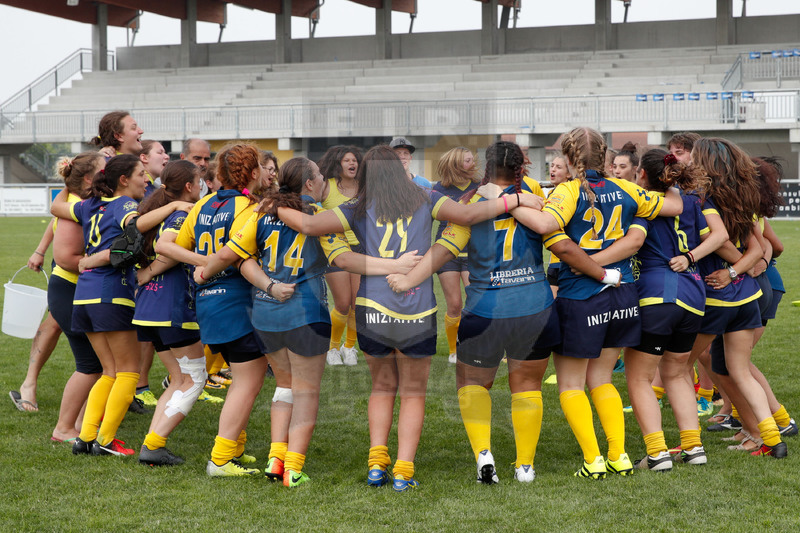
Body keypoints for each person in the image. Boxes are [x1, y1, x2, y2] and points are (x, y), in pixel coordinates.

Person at [276, 145, 541, 491]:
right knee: (413, 393)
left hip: (372, 309)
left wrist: (277, 203)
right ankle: (403, 471)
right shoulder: (426, 197)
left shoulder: (356, 206)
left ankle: (376, 465)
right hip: (418, 310)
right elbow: (468, 217)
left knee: (382, 388)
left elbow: (310, 225)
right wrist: (515, 201)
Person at [197, 156, 420, 486]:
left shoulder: (262, 212)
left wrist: (205, 272)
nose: (324, 181)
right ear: (311, 185)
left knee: (284, 387)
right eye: (319, 176)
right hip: (305, 314)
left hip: (265, 314)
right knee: (306, 393)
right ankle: (294, 469)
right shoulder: (317, 215)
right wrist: (394, 265)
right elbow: (344, 259)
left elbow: (236, 256)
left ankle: (276, 457)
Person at [498, 127, 684, 479]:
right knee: (602, 380)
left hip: (582, 294)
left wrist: (509, 199)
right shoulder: (627, 187)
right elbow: (674, 204)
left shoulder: (568, 191)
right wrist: (672, 176)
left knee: (570, 384)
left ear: (569, 159)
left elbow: (546, 225)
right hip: (624, 293)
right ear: (605, 158)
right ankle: (620, 455)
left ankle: (593, 460)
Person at [387, 141, 557, 484]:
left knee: (471, 383)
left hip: (485, 307)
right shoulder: (537, 193)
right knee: (526, 385)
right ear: (521, 169)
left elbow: (444, 249)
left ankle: (484, 454)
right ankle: (525, 466)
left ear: (484, 168)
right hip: (534, 305)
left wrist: (407, 280)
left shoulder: (471, 204)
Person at [587, 149, 727, 470]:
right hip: (693, 294)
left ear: (643, 175)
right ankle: (694, 448)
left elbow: (631, 243)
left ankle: (657, 453)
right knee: (676, 373)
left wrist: (584, 265)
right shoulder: (693, 200)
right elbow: (717, 236)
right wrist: (692, 257)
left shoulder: (642, 201)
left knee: (639, 377)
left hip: (656, 295)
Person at [50, 154, 192, 457]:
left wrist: (68, 178)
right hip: (112, 293)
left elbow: (55, 207)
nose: (147, 179)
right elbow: (137, 225)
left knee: (109, 371)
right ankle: (105, 440)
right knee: (128, 371)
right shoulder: (124, 204)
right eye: (141, 174)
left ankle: (86, 438)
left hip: (84, 296)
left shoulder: (90, 205)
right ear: (123, 180)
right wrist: (174, 206)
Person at [157, 142, 270, 476]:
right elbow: (245, 255)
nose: (265, 172)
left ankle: (234, 448)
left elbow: (176, 247)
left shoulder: (203, 204)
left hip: (207, 302)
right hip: (237, 301)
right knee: (248, 380)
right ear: (251, 173)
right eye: (261, 167)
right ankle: (220, 459)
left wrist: (203, 265)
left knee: (244, 377)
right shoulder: (250, 206)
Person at [688, 138, 786, 459]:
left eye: (692, 158)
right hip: (748, 291)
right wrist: (737, 272)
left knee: (678, 366)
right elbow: (758, 251)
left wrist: (727, 271)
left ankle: (682, 442)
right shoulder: (740, 199)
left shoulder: (704, 201)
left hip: (721, 296)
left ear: (705, 164)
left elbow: (724, 245)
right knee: (736, 369)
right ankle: (769, 436)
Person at [132, 160, 204, 466]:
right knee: (195, 378)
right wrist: (207, 260)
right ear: (188, 187)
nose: (203, 186)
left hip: (148, 308)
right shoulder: (180, 212)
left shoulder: (160, 208)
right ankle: (154, 443)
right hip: (171, 307)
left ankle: (153, 444)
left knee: (178, 379)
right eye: (200, 181)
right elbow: (167, 247)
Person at [48, 152, 106, 442]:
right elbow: (66, 258)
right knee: (90, 364)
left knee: (96, 363)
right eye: (103, 170)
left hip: (77, 289)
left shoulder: (75, 202)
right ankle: (64, 428)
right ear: (88, 178)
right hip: (69, 290)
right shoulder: (75, 207)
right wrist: (107, 259)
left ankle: (82, 425)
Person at [432, 147, 479, 363]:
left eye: (472, 160)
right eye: (468, 161)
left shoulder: (480, 187)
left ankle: (474, 345)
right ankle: (454, 351)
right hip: (447, 254)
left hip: (474, 254)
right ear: (456, 164)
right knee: (454, 305)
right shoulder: (438, 189)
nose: (473, 164)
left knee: (474, 302)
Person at [318, 145, 363, 366]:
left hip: (360, 250)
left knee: (357, 303)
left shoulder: (364, 186)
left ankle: (349, 347)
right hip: (334, 249)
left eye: (354, 160)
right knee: (343, 303)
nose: (351, 163)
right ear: (338, 163)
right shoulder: (327, 186)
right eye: (346, 160)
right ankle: (333, 348)